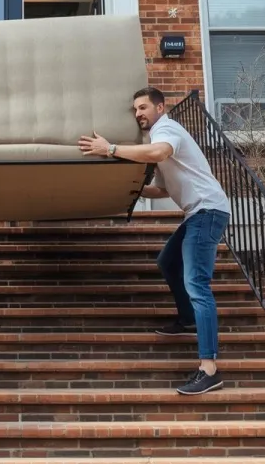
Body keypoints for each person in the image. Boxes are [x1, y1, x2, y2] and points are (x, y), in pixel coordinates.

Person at [79, 87, 231, 396]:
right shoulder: (157, 138)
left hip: (207, 210)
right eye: (135, 109)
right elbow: (160, 189)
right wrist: (120, 189)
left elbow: (158, 153)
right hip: (198, 212)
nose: (138, 114)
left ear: (160, 107)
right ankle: (188, 318)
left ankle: (209, 369)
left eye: (144, 107)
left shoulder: (166, 128)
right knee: (168, 262)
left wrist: (110, 149)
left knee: (197, 284)